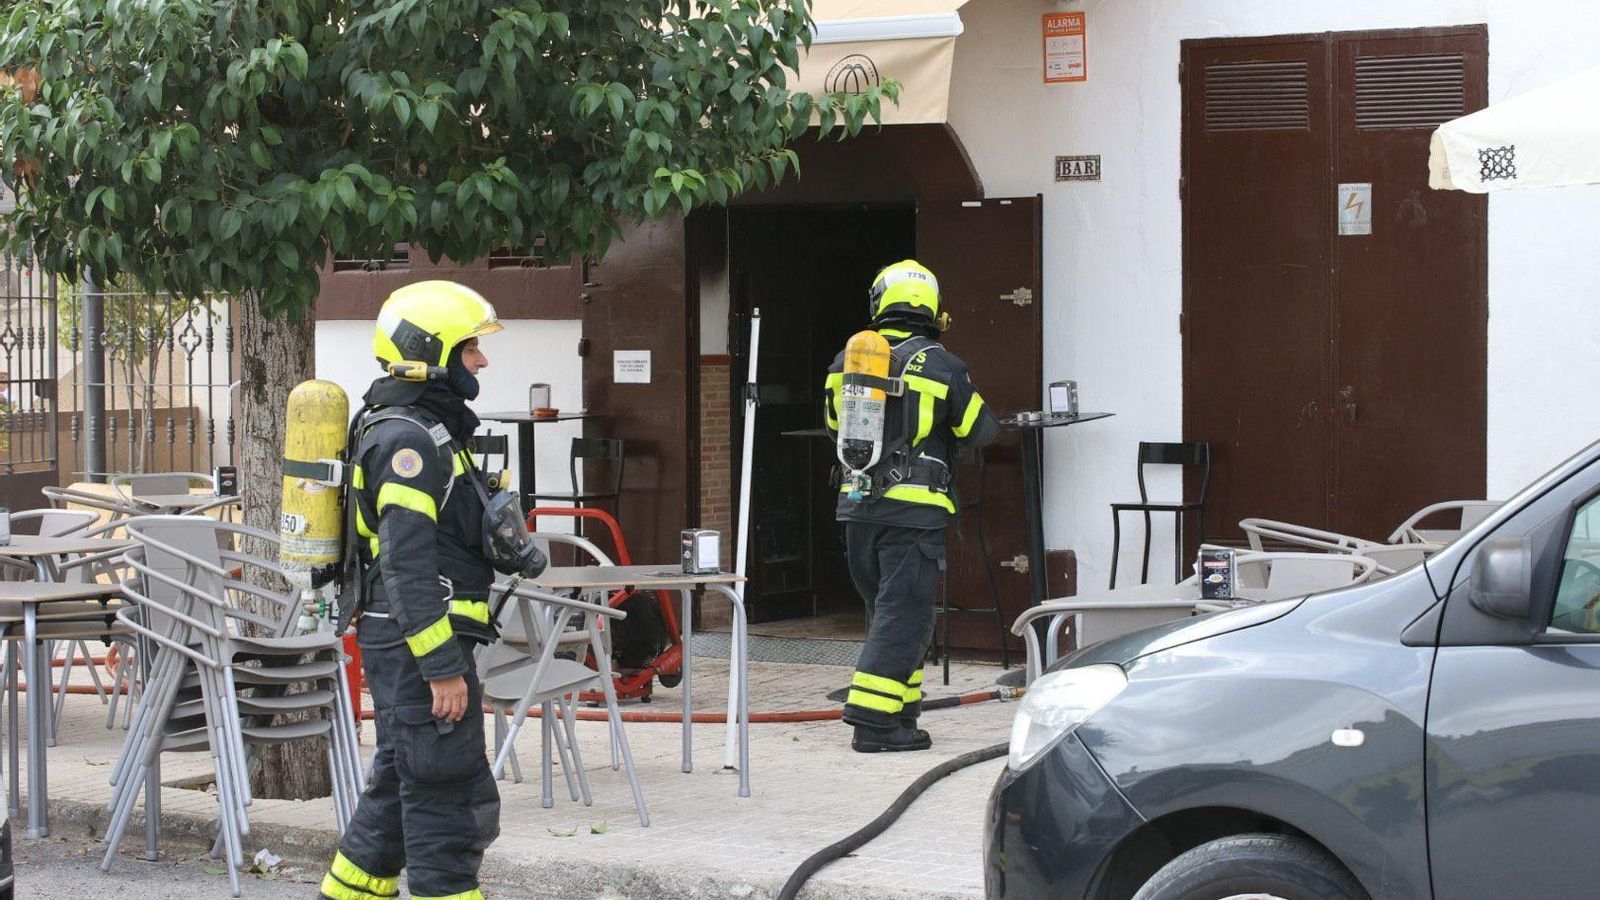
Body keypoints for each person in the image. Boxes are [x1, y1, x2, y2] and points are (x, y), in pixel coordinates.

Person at [319, 280, 512, 900]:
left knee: (398, 790)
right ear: (429, 352)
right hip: (417, 648)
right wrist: (441, 668)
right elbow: (407, 566)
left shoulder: (416, 428)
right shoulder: (407, 442)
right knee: (449, 801)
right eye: (470, 348)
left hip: (405, 643)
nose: (480, 360)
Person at [822, 260, 1001, 753]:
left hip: (857, 510)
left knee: (892, 614)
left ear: (881, 301)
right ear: (932, 309)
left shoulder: (847, 361)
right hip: (913, 514)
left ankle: (903, 714)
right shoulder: (942, 365)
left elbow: (835, 427)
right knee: (904, 615)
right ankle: (874, 725)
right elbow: (980, 430)